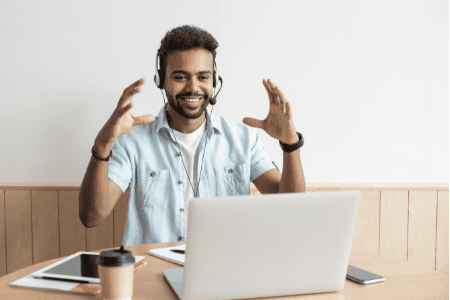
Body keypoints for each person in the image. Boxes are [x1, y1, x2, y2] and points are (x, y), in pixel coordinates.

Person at [79, 25, 305, 246]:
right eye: (180, 77)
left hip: (225, 272)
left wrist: (290, 144)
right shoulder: (133, 142)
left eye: (203, 77)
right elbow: (92, 217)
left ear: (214, 81)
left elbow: (291, 207)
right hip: (154, 273)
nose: (193, 88)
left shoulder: (243, 140)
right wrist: (102, 144)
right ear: (161, 80)